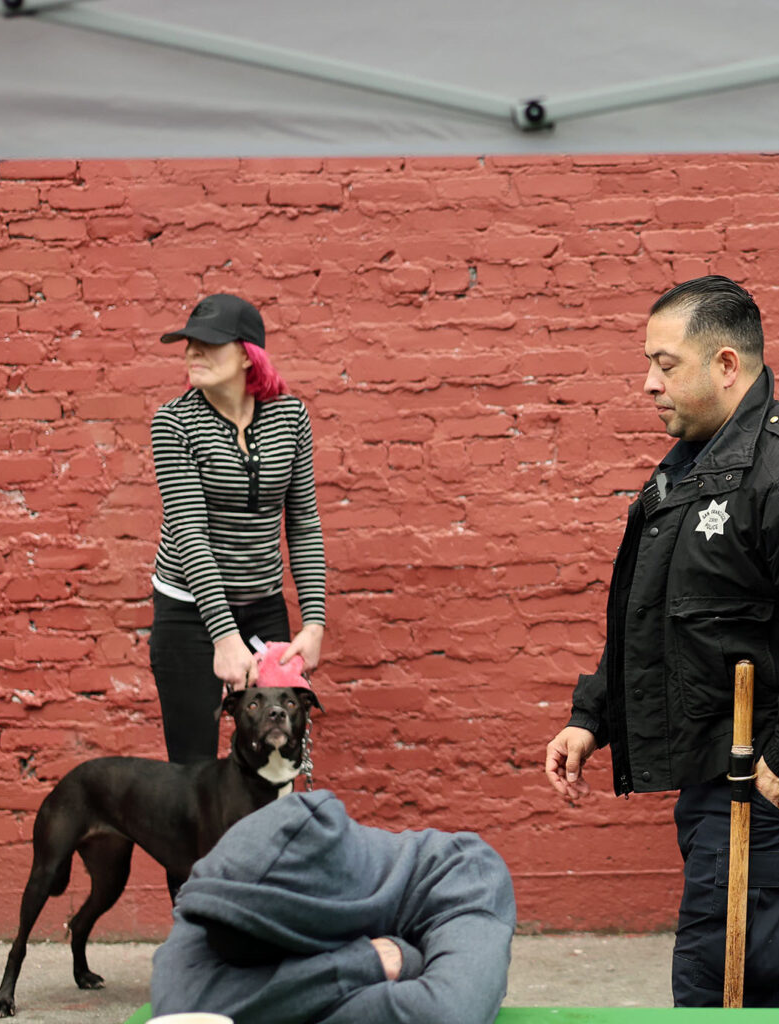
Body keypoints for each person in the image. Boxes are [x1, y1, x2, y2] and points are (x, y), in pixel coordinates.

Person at [543, 275, 779, 1007]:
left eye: (666, 363)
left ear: (725, 365)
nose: (648, 383)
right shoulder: (695, 467)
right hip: (726, 764)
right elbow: (658, 617)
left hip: (775, 775)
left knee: (726, 982)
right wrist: (594, 715)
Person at [150, 789, 515, 1024]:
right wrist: (371, 963)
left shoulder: (467, 876)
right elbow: (180, 1008)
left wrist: (284, 1000)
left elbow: (443, 1014)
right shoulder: (226, 883)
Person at [150, 293, 326, 763]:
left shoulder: (291, 418)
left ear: (249, 355)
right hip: (190, 615)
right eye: (188, 343)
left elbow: (303, 522)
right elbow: (189, 533)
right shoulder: (174, 423)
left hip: (263, 609)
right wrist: (224, 638)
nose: (192, 352)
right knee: (194, 772)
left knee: (277, 760)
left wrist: (313, 621)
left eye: (208, 343)